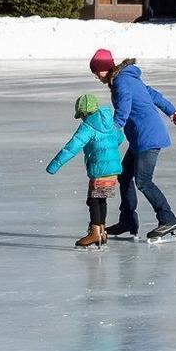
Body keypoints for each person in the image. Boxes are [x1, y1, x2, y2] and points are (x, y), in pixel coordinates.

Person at [89, 49, 176, 241]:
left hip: (147, 136)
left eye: (96, 71)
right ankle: (128, 221)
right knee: (124, 176)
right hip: (141, 136)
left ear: (104, 68)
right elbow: (151, 93)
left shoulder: (121, 82)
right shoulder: (127, 78)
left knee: (143, 181)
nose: (96, 76)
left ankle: (168, 219)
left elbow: (123, 109)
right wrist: (170, 109)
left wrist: (112, 133)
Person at [45, 93, 126, 249]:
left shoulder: (88, 127)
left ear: (84, 113)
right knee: (101, 199)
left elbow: (71, 148)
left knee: (94, 201)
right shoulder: (110, 122)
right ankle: (101, 231)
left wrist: (54, 165)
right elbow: (119, 138)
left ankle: (95, 233)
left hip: (100, 169)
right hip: (113, 169)